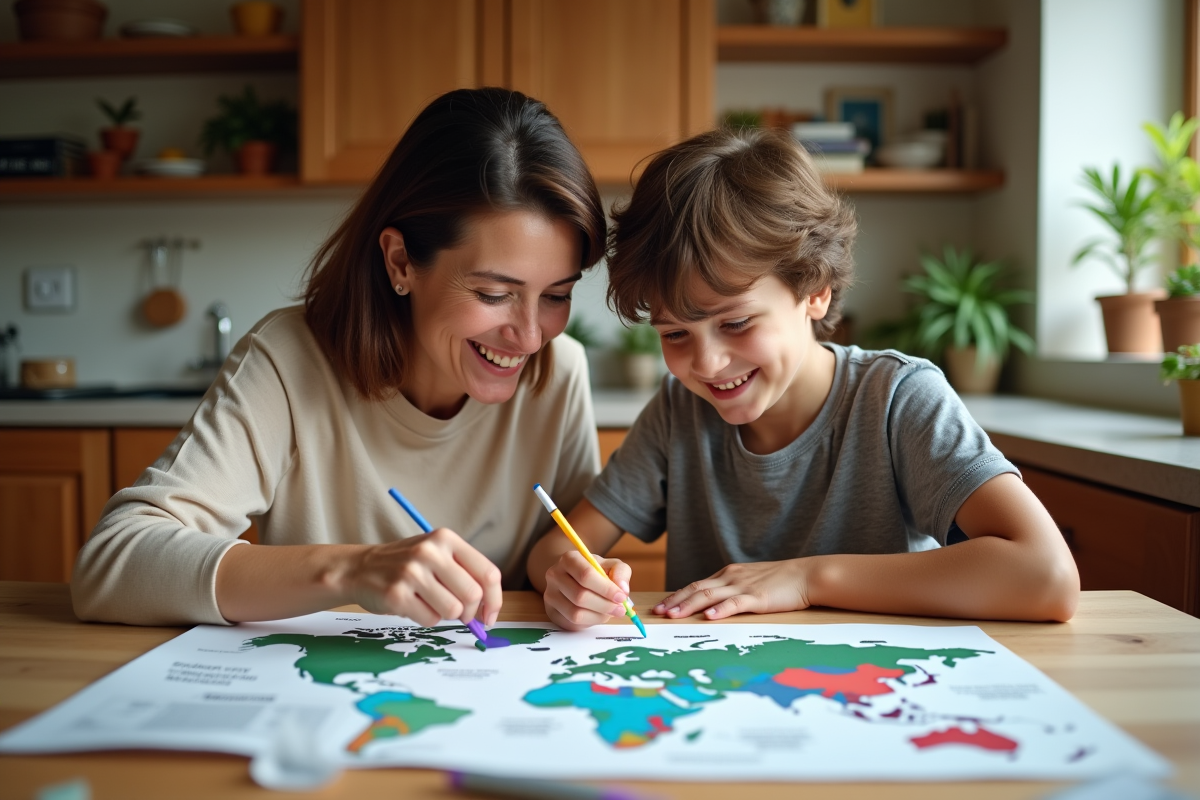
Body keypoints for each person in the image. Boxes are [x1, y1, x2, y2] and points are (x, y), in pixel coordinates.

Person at [74, 88, 607, 628]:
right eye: (495, 294)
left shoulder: (559, 374)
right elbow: (113, 561)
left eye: (557, 295)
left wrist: (572, 580)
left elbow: (559, 552)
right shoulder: (288, 362)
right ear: (401, 262)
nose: (530, 336)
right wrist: (353, 570)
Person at [528, 126, 1080, 630]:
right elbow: (553, 549)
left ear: (814, 290)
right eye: (675, 334)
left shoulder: (897, 399)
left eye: (736, 323)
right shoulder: (680, 411)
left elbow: (1047, 575)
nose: (707, 363)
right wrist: (573, 578)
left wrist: (807, 579)